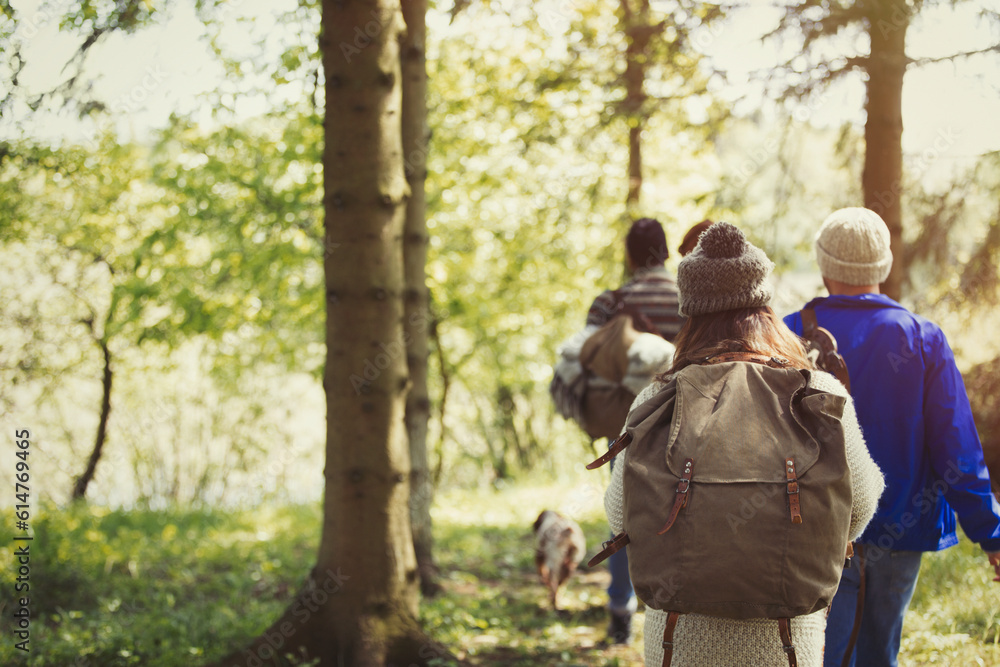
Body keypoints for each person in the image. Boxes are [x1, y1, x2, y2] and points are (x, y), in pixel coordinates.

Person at [605, 221, 884, 666]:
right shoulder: (819, 390)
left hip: (679, 642)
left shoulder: (658, 398)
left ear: (690, 312)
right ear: (764, 304)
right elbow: (864, 500)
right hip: (786, 640)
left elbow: (622, 514)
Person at [783, 207, 1000, 667]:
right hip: (899, 526)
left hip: (812, 528)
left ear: (824, 265)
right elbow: (956, 446)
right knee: (880, 654)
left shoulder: (788, 335)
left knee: (818, 653)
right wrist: (991, 533)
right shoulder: (923, 337)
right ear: (882, 266)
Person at [586, 217, 683, 644]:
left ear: (628, 254)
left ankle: (621, 613)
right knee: (684, 514)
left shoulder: (610, 301)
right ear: (666, 252)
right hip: (686, 424)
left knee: (622, 516)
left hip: (625, 428)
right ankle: (673, 611)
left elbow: (587, 361)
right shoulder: (691, 298)